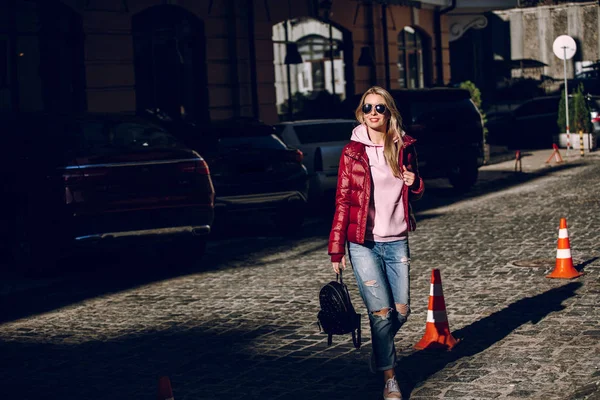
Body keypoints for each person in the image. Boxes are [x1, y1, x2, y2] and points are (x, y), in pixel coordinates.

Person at [328, 86, 424, 400]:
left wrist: (416, 182)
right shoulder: (353, 151)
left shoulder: (403, 145)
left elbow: (417, 184)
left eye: (379, 108)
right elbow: (342, 200)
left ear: (389, 112)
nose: (373, 113)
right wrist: (336, 247)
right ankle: (390, 379)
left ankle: (380, 351)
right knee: (381, 314)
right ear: (361, 112)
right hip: (362, 243)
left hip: (396, 240)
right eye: (368, 107)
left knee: (402, 310)